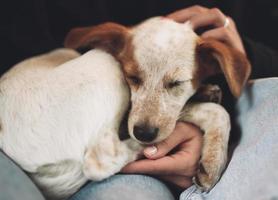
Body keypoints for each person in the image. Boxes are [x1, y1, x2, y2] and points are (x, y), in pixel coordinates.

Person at [0, 1, 278, 200]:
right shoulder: (114, 51)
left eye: (174, 83)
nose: (145, 121)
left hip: (58, 153)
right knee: (103, 62)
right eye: (134, 79)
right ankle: (110, 157)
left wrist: (247, 50)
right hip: (30, 139)